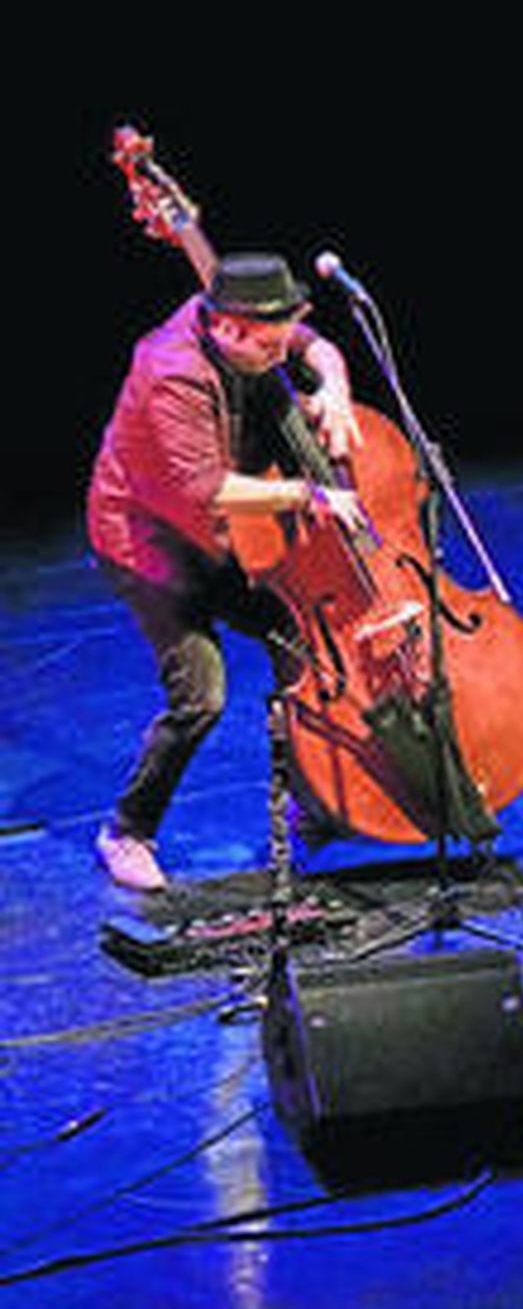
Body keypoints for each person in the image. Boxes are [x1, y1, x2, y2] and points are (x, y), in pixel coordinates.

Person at [88, 253, 366, 891]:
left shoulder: (252, 325)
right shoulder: (171, 373)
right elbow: (204, 487)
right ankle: (127, 830)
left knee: (307, 646)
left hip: (235, 536)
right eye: (267, 347)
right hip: (152, 545)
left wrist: (335, 388)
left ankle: (313, 796)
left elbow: (314, 345)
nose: (278, 358)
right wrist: (310, 496)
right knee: (202, 696)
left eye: (278, 340)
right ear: (226, 329)